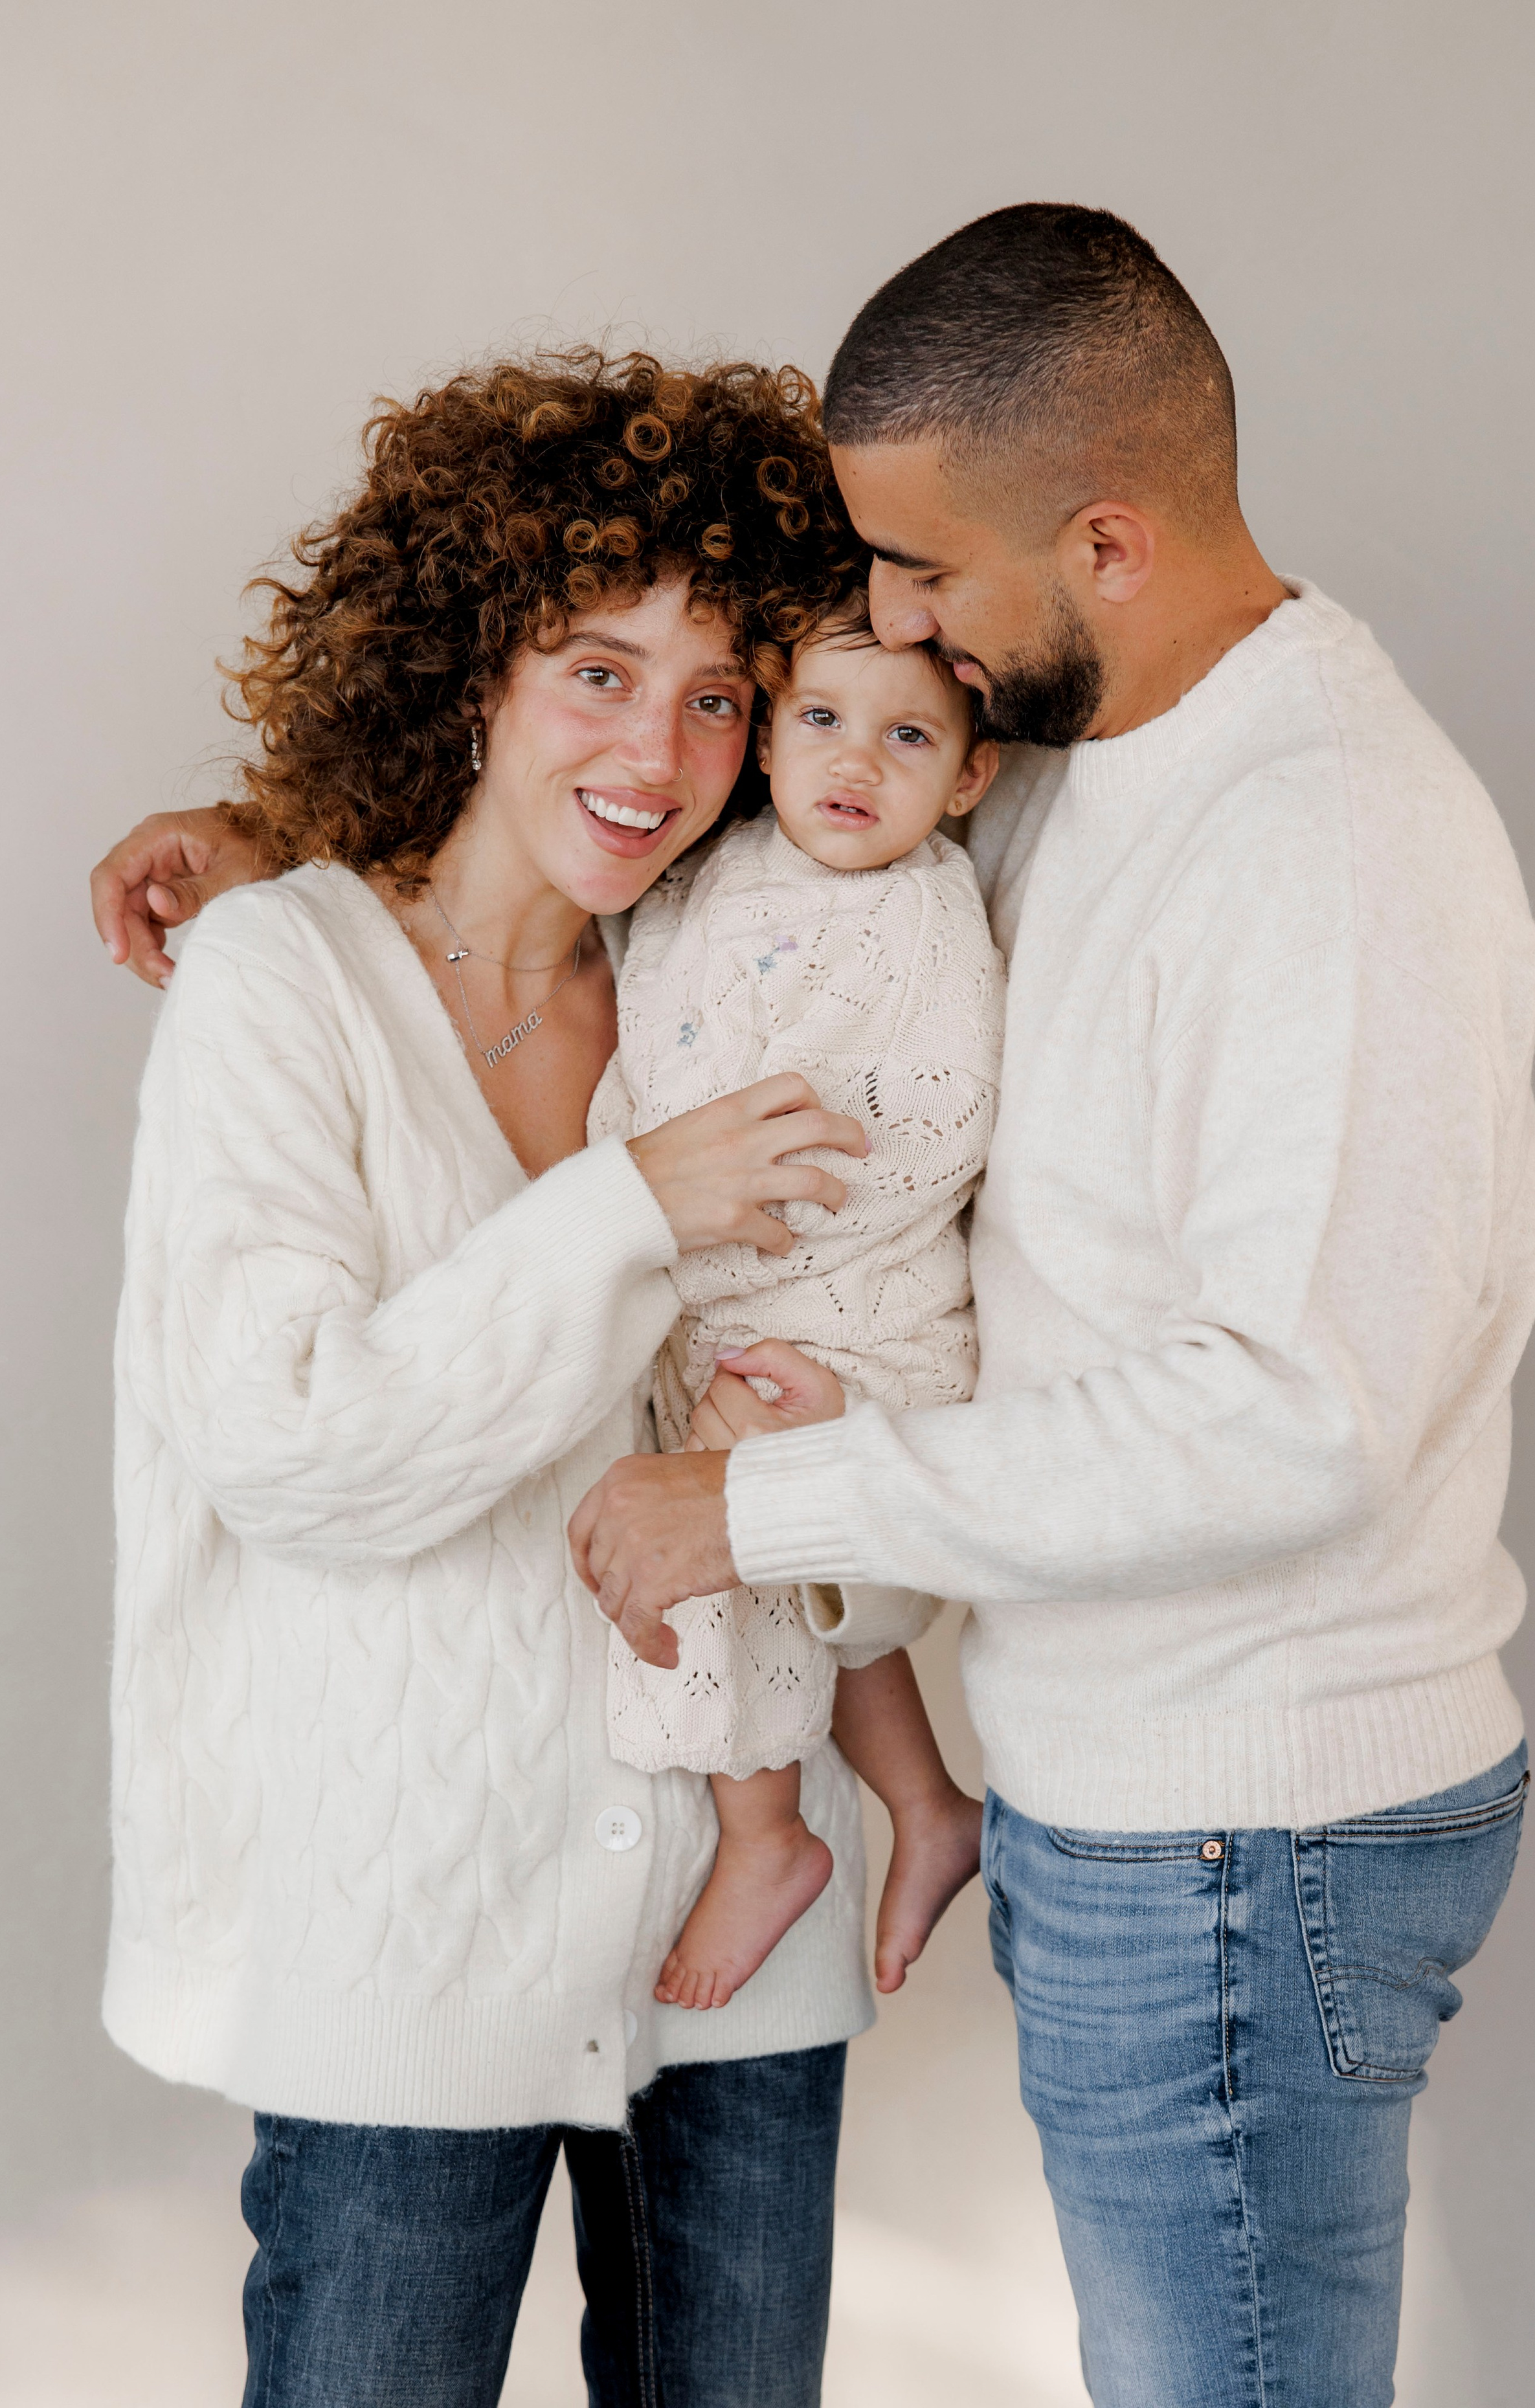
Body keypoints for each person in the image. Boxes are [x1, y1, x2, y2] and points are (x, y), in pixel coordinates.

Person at [568, 208, 1535, 2408]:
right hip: (1173, 1807)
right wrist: (290, 858)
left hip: (1244, 1833)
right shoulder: (1113, 768)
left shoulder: (1334, 846)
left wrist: (771, 1504)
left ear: (1105, 539)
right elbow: (764, 876)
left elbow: (1299, 1417)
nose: (896, 634)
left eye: (925, 579)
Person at [96, 348, 943, 2408]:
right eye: (594, 669)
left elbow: (891, 1387)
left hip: (746, 1968)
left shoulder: (746, 963)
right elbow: (300, 1452)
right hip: (409, 1955)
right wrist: (626, 1205)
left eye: (720, 692)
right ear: (470, 668)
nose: (660, 748)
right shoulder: (279, 978)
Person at [592, 594, 1004, 2011]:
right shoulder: (718, 867)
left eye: (906, 738)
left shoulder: (924, 912)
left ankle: (764, 1838)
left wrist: (708, 1257)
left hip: (840, 1306)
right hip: (725, 1289)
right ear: (766, 738)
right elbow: (657, 1024)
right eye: (822, 720)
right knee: (801, 1575)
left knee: (746, 1563)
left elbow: (928, 1125)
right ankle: (930, 1807)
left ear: (965, 778)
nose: (855, 762)